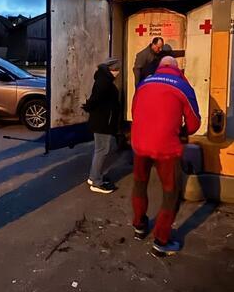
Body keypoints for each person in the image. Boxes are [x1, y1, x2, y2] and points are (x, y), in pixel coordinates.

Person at [130, 56, 200, 257]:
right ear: (177, 68)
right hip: (166, 147)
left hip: (139, 144)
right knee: (170, 193)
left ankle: (139, 226)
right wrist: (182, 131)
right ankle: (161, 240)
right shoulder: (183, 86)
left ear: (160, 68)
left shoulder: (144, 82)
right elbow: (195, 123)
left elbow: (135, 111)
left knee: (139, 183)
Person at [82, 57, 121, 194]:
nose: (118, 72)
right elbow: (95, 99)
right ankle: (96, 181)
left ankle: (95, 177)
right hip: (103, 122)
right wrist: (89, 106)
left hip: (102, 120)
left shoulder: (104, 79)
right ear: (112, 69)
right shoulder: (104, 82)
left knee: (100, 150)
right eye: (117, 70)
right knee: (102, 150)